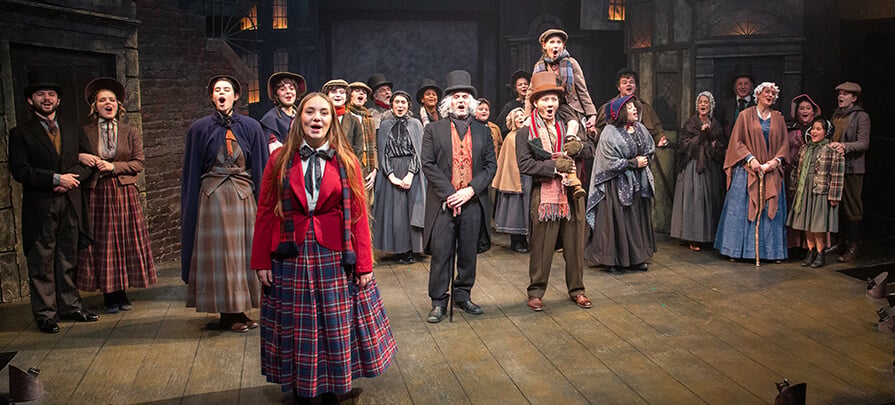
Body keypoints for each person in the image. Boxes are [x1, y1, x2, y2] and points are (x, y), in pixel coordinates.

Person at [251, 92, 396, 403]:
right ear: (299, 119)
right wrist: (261, 260)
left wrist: (365, 264)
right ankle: (301, 387)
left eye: (323, 113)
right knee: (298, 327)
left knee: (334, 324)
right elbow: (264, 210)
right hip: (291, 254)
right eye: (309, 112)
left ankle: (332, 386)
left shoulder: (347, 160)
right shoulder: (278, 161)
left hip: (334, 252)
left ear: (332, 121)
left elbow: (358, 214)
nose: (316, 118)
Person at [8, 70, 99, 333]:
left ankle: (70, 307)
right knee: (42, 260)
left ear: (58, 100)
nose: (46, 99)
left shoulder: (71, 127)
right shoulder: (20, 133)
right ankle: (46, 314)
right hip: (41, 205)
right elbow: (20, 171)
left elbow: (87, 161)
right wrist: (55, 179)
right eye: (40, 94)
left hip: (70, 202)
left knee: (67, 257)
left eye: (51, 95)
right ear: (30, 100)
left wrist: (72, 179)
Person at [181, 75, 269, 332]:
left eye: (227, 90)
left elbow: (261, 166)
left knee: (243, 254)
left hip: (243, 198)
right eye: (217, 90)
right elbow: (192, 171)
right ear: (212, 96)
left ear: (236, 96)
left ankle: (240, 310)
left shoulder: (251, 127)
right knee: (221, 257)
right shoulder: (198, 129)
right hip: (213, 200)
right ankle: (227, 315)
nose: (222, 93)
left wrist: (263, 201)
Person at [421, 70, 497, 323]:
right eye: (456, 96)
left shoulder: (483, 132)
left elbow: (490, 167)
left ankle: (462, 295)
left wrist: (470, 190)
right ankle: (438, 301)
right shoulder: (433, 130)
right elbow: (428, 164)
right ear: (448, 102)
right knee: (442, 253)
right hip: (444, 202)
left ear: (471, 103)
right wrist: (451, 194)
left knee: (467, 253)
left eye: (465, 96)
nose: (461, 100)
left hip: (472, 201)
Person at [76, 77, 157, 313]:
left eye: (112, 100)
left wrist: (114, 167)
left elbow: (138, 163)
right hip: (98, 192)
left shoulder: (130, 132)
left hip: (123, 192)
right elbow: (74, 156)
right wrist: (81, 157)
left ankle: (122, 292)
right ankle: (109, 295)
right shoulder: (85, 132)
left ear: (119, 105)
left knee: (124, 240)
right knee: (103, 243)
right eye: (102, 100)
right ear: (94, 105)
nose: (108, 103)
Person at [517, 71, 593, 311]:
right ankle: (536, 291)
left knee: (575, 244)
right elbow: (525, 165)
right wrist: (552, 166)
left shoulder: (569, 126)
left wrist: (579, 147)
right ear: (536, 103)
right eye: (544, 100)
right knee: (542, 246)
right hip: (545, 194)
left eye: (553, 99)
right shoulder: (526, 131)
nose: (550, 104)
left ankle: (577, 290)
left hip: (573, 192)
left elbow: (590, 149)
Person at [714, 82, 789, 261]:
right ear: (757, 94)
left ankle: (771, 253)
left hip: (770, 170)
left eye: (773, 93)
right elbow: (736, 142)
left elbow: (784, 144)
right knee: (741, 208)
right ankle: (736, 251)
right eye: (767, 92)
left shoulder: (778, 118)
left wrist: (774, 162)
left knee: (770, 211)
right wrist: (750, 159)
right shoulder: (745, 115)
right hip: (748, 169)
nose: (770, 95)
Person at [585, 95, 657, 271]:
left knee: (635, 219)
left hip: (637, 182)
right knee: (616, 221)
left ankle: (636, 258)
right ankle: (612, 259)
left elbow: (650, 148)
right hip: (615, 184)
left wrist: (644, 160)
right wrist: (633, 163)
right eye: (629, 107)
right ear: (620, 112)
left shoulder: (640, 128)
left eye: (634, 106)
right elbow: (609, 161)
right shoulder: (609, 132)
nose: (634, 109)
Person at [372, 91, 426, 264]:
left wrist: (410, 174)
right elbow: (383, 152)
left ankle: (413, 249)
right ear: (392, 105)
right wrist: (391, 176)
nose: (400, 106)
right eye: (397, 102)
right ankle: (399, 250)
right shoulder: (385, 124)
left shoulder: (416, 124)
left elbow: (419, 152)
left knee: (411, 210)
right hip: (393, 172)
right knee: (396, 213)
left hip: (412, 172)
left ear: (408, 105)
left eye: (403, 102)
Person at [670, 91, 726, 251]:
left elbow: (720, 146)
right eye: (700, 102)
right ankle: (692, 237)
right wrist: (701, 137)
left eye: (706, 102)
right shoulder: (690, 123)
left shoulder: (716, 125)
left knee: (709, 200)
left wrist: (711, 137)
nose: (703, 104)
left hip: (710, 167)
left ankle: (709, 236)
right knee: (694, 201)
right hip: (693, 166)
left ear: (711, 106)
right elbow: (684, 145)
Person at [786, 118, 844, 268]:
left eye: (818, 129)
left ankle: (820, 252)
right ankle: (810, 251)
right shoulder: (805, 148)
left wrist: (834, 196)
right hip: (805, 189)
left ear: (826, 132)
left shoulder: (831, 150)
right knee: (807, 223)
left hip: (820, 190)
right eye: (813, 128)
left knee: (818, 225)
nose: (814, 132)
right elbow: (795, 168)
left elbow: (837, 174)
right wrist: (794, 188)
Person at [828, 81, 870, 263]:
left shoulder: (861, 117)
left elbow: (863, 143)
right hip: (835, 168)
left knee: (852, 206)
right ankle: (841, 241)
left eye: (845, 94)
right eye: (840, 94)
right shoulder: (836, 115)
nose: (841, 97)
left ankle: (854, 244)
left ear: (854, 98)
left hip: (852, 168)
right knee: (836, 207)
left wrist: (844, 146)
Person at [785, 94, 822, 252]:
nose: (804, 111)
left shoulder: (819, 129)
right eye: (801, 108)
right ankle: (794, 244)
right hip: (792, 171)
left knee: (809, 208)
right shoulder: (791, 127)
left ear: (813, 111)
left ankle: (811, 247)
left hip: (811, 173)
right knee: (793, 207)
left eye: (808, 108)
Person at [595, 68, 667, 147]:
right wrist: (594, 133)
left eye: (631, 82)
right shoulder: (609, 107)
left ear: (636, 86)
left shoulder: (645, 108)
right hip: (617, 152)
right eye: (624, 82)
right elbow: (599, 130)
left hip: (642, 152)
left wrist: (660, 139)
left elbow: (657, 130)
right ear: (619, 87)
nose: (628, 84)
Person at [492, 107, 531, 253]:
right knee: (516, 210)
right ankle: (517, 240)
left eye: (522, 115)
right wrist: (517, 178)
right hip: (516, 178)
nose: (520, 118)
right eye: (517, 116)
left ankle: (524, 239)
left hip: (527, 176)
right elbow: (510, 161)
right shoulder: (511, 137)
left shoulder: (527, 134)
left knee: (525, 209)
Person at [259, 72, 306, 152]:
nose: (288, 92)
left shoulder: (302, 115)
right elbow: (274, 153)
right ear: (276, 94)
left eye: (291, 88)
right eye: (282, 89)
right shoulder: (270, 120)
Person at [348, 81, 378, 203]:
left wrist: (374, 169)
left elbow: (374, 146)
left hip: (366, 165)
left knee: (366, 203)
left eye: (364, 92)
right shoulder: (345, 115)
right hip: (351, 162)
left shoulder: (369, 118)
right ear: (349, 95)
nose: (361, 93)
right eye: (357, 91)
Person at [322, 79, 365, 164]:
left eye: (342, 92)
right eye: (334, 92)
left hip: (346, 167)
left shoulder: (354, 120)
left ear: (346, 97)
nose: (338, 95)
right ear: (327, 95)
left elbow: (358, 150)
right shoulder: (321, 118)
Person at [715, 64, 756, 138]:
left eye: (746, 84)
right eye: (740, 84)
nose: (743, 87)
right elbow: (719, 130)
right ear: (735, 86)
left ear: (751, 86)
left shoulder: (757, 105)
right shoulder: (725, 106)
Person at [496, 70, 530, 134]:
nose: (523, 86)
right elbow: (499, 125)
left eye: (526, 84)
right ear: (515, 88)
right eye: (520, 85)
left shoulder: (534, 104)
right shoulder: (510, 106)